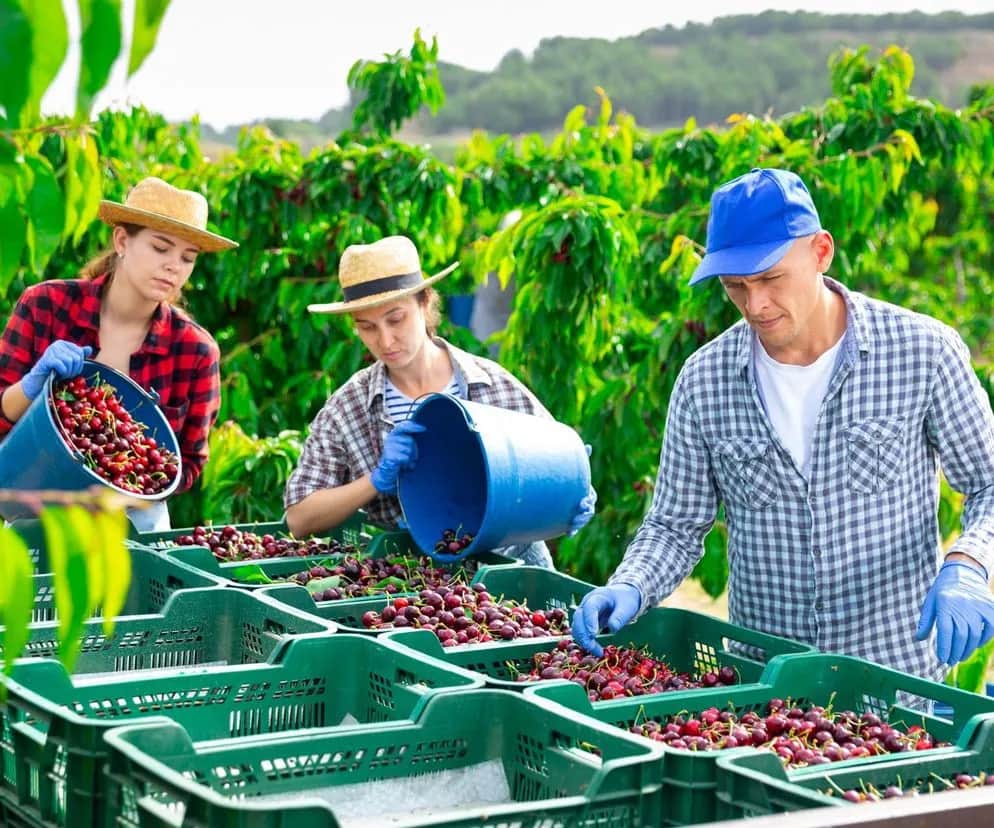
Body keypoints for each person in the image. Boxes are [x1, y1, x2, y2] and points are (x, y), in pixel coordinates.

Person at [573, 167, 994, 684]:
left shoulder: (921, 352)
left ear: (820, 252)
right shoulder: (704, 381)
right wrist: (631, 586)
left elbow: (988, 483)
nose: (756, 305)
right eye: (735, 286)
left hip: (898, 682)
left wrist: (969, 563)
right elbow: (676, 527)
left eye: (771, 278)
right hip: (766, 690)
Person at [284, 234, 596, 567]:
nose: (385, 340)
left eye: (395, 319)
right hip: (416, 583)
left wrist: (574, 493)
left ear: (425, 303)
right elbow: (299, 519)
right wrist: (375, 481)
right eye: (367, 327)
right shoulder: (348, 409)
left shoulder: (491, 386)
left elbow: (559, 463)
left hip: (509, 571)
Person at [0, 177, 237, 530]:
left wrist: (119, 485)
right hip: (36, 504)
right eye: (160, 248)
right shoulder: (45, 306)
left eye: (188, 257)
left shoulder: (195, 350)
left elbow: (187, 464)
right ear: (122, 240)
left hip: (134, 519)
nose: (174, 266)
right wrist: (33, 387)